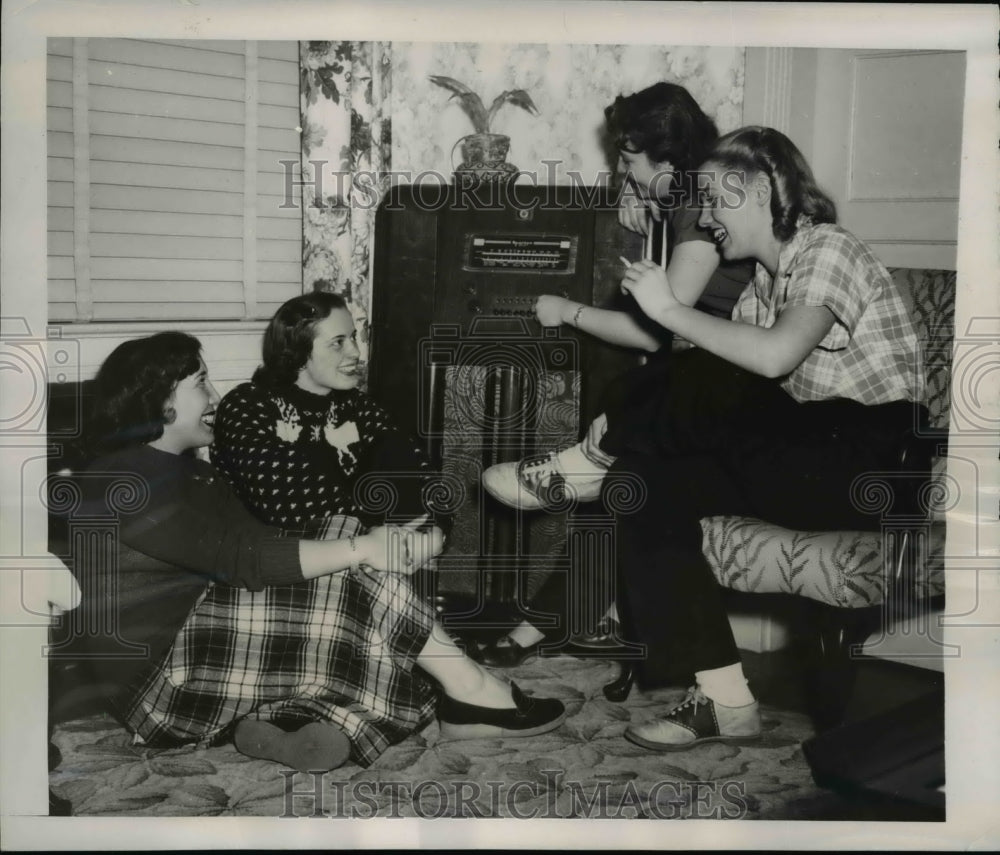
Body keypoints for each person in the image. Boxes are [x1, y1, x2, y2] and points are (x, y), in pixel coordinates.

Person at [501, 125, 925, 750]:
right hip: (803, 460)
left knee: (702, 368)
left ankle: (584, 462)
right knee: (638, 484)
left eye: (713, 200)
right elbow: (738, 402)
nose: (703, 217)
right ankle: (725, 698)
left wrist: (671, 314)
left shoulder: (829, 248)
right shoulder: (760, 285)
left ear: (757, 189)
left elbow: (775, 359)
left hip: (875, 467)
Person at [70, 327, 564, 775]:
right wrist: (363, 549)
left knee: (341, 536)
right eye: (202, 382)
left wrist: (366, 541)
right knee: (351, 560)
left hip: (205, 654)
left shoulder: (196, 473)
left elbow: (267, 542)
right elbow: (242, 561)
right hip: (160, 688)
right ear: (159, 399)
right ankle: (471, 692)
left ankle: (296, 723)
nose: (216, 396)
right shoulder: (121, 478)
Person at [477, 82, 753, 666]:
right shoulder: (691, 193)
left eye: (629, 160)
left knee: (624, 448)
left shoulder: (701, 213)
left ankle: (577, 477)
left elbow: (656, 327)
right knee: (623, 481)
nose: (621, 172)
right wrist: (636, 190)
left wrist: (567, 311)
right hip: (700, 381)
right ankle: (551, 618)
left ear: (670, 156)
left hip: (724, 386)